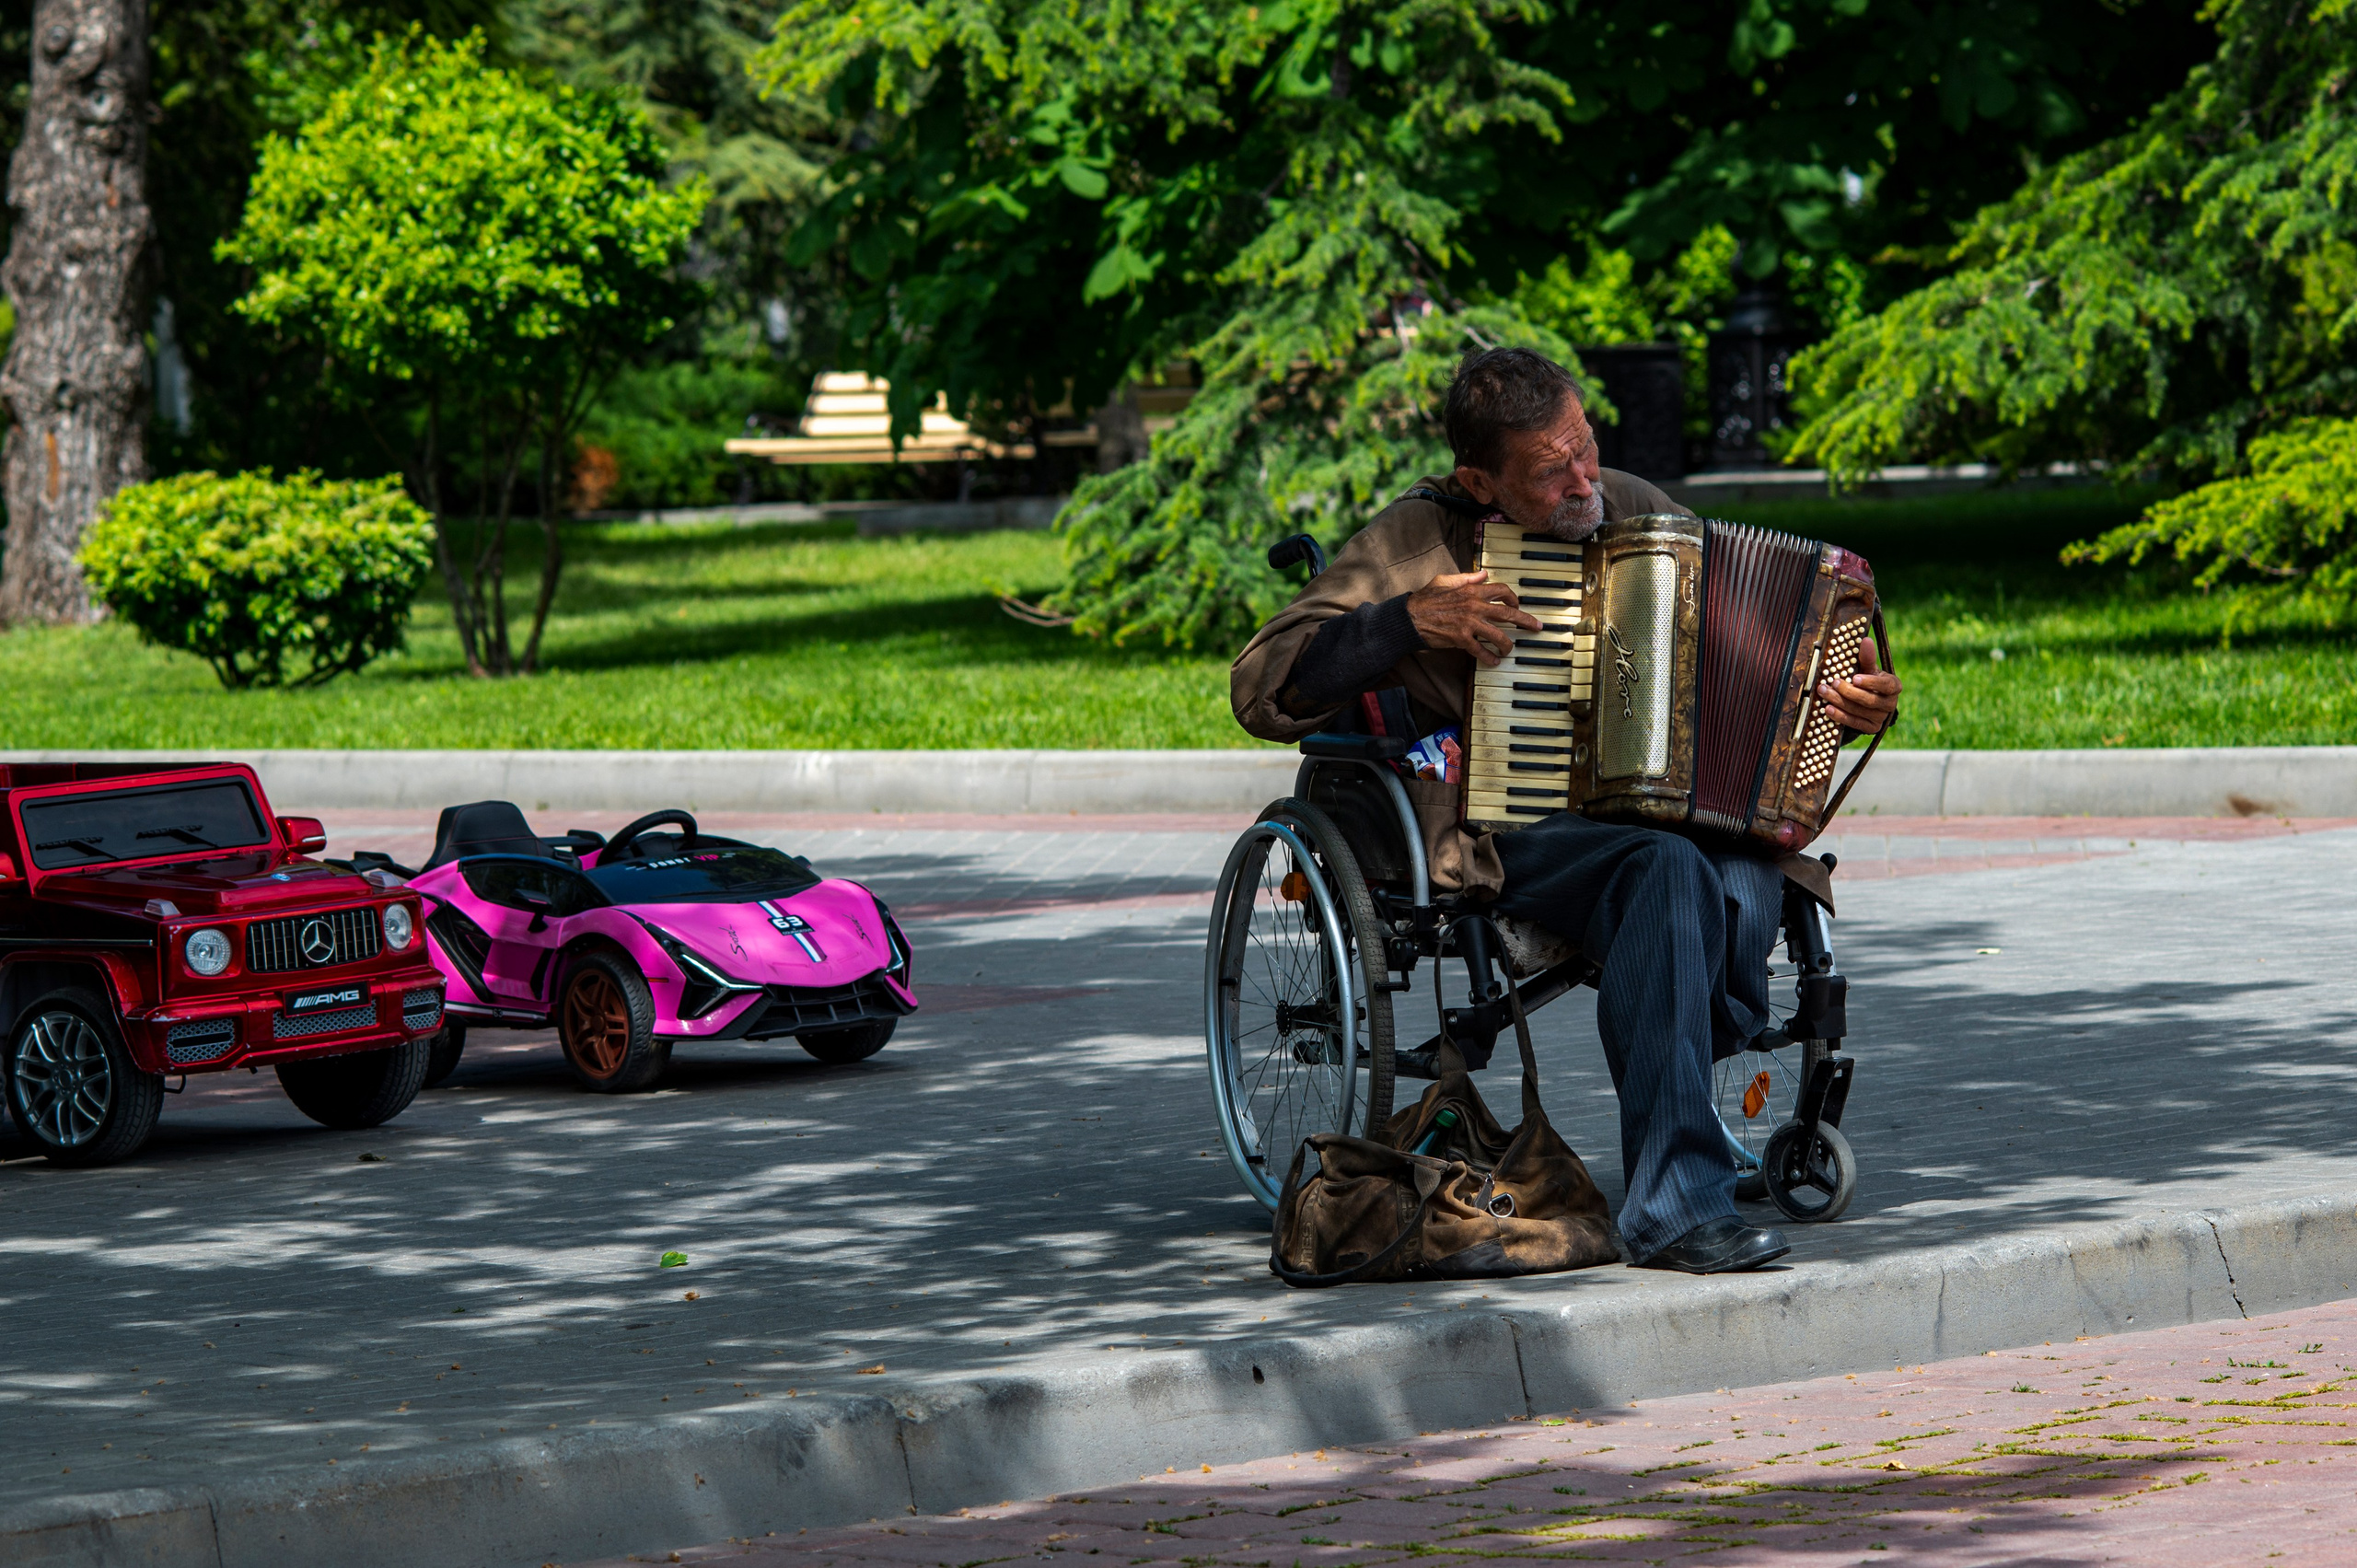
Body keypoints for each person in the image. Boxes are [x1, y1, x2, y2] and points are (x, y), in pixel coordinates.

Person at [1230, 347, 1901, 1274]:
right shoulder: (1418, 540)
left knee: (1745, 878)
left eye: (1585, 444)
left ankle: (1680, 1111)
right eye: (1554, 470)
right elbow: (1261, 683)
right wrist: (1408, 620)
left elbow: (1753, 653)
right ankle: (1675, 1206)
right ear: (1480, 479)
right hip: (1508, 826)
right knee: (1662, 872)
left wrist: (1843, 697)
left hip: (1663, 807)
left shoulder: (1635, 510)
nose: (1586, 478)